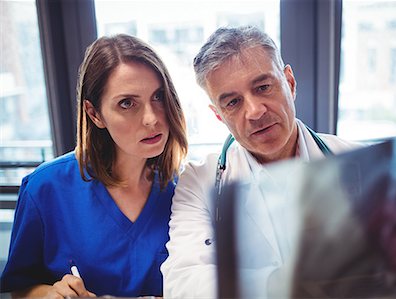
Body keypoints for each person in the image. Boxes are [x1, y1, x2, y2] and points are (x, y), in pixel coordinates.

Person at [161, 26, 359, 298]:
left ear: (289, 82)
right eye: (232, 102)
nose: (254, 111)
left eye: (263, 87)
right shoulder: (199, 181)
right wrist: (285, 283)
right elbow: (183, 281)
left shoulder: (357, 163)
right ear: (219, 115)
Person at [0, 34, 188, 298]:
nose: (152, 118)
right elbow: (21, 288)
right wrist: (52, 295)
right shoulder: (45, 189)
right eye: (127, 103)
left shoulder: (184, 191)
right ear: (94, 114)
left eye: (158, 96)